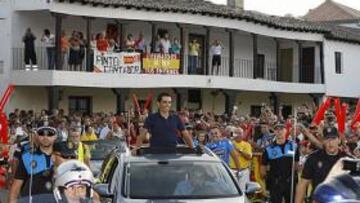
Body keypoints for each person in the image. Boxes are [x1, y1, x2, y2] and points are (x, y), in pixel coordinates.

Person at [295, 126, 347, 203]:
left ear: (339, 140)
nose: (330, 143)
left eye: (333, 139)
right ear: (323, 141)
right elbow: (303, 184)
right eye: (327, 139)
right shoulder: (313, 158)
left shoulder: (347, 159)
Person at [8, 123, 57, 202]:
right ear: (37, 136)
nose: (45, 137)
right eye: (41, 134)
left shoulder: (64, 157)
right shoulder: (27, 157)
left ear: (55, 137)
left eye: (50, 134)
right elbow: (15, 189)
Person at [261, 122, 299, 203]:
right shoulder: (269, 148)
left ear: (286, 131)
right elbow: (263, 168)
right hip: (275, 183)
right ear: (274, 132)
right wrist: (268, 179)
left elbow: (296, 164)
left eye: (281, 129)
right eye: (277, 130)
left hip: (290, 182)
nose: (279, 131)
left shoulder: (293, 146)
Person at [229, 127, 252, 191]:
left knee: (243, 191)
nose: (238, 135)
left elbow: (249, 157)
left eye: (240, 133)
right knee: (232, 191)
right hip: (231, 170)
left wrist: (239, 150)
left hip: (243, 171)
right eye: (236, 133)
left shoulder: (247, 144)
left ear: (243, 134)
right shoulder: (229, 143)